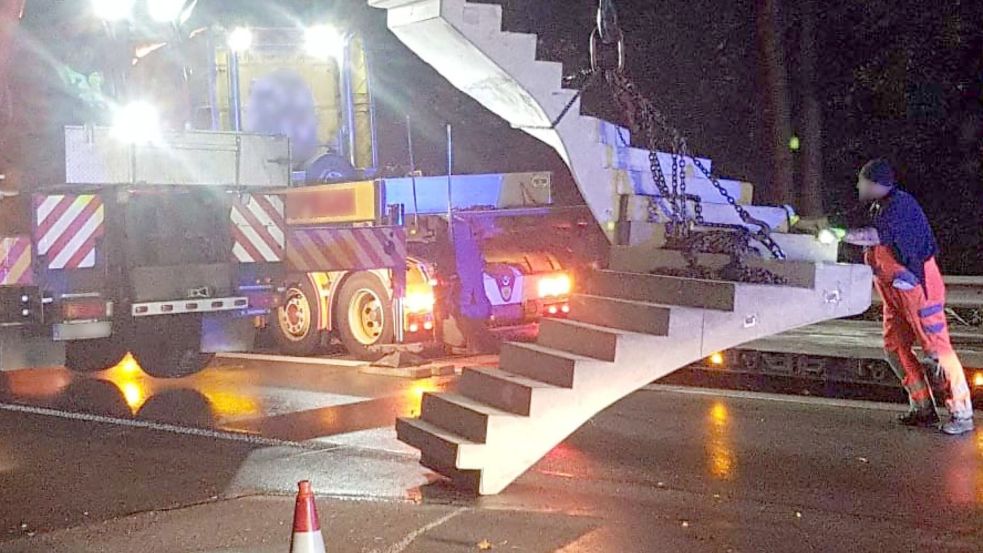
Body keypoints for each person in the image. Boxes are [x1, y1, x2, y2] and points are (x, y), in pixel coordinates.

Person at [839, 159, 974, 435]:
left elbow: (874, 236)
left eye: (861, 181)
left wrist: (839, 235)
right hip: (895, 294)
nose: (857, 186)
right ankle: (923, 408)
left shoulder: (901, 206)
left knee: (938, 351)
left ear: (874, 184)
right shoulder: (879, 206)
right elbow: (852, 218)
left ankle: (962, 414)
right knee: (895, 349)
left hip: (918, 290)